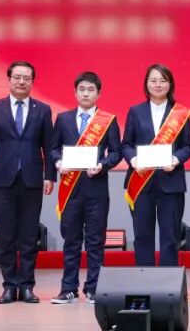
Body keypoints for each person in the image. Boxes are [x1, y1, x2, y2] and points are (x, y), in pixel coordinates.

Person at [0, 60, 55, 304]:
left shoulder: (43, 110)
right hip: (2, 181)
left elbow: (49, 146)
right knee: (6, 236)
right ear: (9, 80)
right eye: (17, 77)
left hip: (32, 180)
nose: (22, 82)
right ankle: (10, 286)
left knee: (29, 237)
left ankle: (27, 286)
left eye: (26, 78)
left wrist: (50, 176)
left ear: (32, 82)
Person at [49, 71, 122, 305]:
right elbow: (53, 149)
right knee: (70, 240)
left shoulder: (108, 120)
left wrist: (102, 165)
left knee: (95, 241)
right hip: (70, 189)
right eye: (82, 89)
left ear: (99, 93)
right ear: (75, 92)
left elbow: (117, 152)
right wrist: (58, 162)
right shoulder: (63, 119)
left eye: (91, 90)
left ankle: (94, 288)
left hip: (96, 189)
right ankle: (68, 288)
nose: (86, 94)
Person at [122, 64, 190, 267]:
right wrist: (134, 160)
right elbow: (126, 144)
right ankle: (144, 278)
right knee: (142, 235)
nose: (158, 84)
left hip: (171, 182)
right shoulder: (136, 111)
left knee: (170, 235)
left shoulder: (180, 113)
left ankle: (168, 280)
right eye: (153, 80)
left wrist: (175, 160)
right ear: (146, 84)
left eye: (163, 80)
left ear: (170, 84)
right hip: (140, 182)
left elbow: (188, 146)